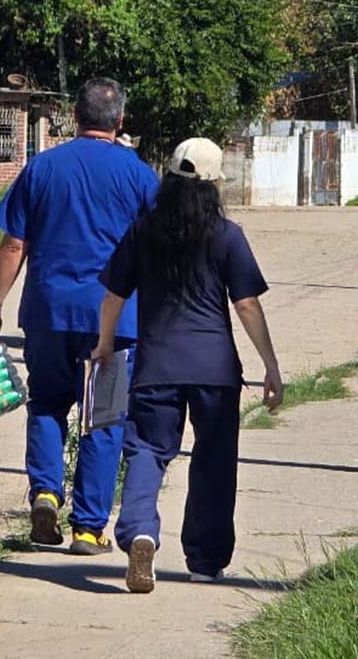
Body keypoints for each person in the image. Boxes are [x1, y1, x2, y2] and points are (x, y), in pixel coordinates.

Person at [0, 78, 157, 555]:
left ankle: (46, 494)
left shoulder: (42, 167)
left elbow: (14, 244)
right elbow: (159, 251)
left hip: (48, 313)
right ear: (120, 120)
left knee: (48, 404)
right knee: (103, 419)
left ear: (75, 117)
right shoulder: (139, 175)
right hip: (114, 321)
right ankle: (89, 529)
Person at [92, 138, 283, 594]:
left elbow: (113, 297)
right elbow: (247, 305)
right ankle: (205, 560)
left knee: (147, 450)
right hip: (215, 370)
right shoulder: (227, 235)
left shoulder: (144, 231)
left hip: (156, 366)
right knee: (214, 460)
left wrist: (104, 345)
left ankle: (140, 530)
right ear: (214, 184)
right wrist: (271, 366)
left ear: (170, 179)